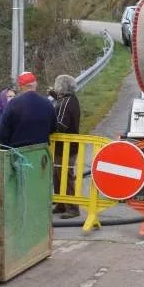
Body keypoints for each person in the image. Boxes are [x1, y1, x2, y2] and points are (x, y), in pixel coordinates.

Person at [0, 72, 56, 149]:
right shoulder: (47, 103)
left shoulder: (13, 104)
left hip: (18, 153)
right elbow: (53, 128)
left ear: (21, 86)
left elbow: (2, 133)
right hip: (42, 152)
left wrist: (6, 149)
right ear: (36, 84)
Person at [51, 74, 81, 218]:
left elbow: (60, 125)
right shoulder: (71, 100)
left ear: (60, 87)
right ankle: (62, 204)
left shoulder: (65, 103)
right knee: (57, 175)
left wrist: (48, 126)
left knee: (65, 176)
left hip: (65, 148)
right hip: (67, 147)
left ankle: (72, 208)